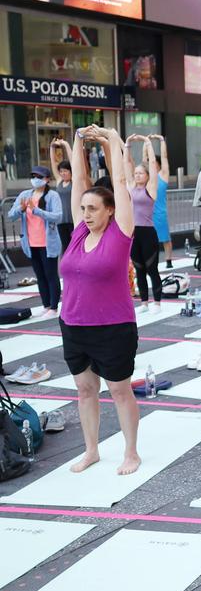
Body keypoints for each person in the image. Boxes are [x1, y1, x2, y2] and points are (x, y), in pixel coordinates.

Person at [60, 125, 139, 475]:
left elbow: (120, 183)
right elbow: (79, 180)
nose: (87, 213)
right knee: (84, 389)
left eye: (94, 208)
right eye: (83, 209)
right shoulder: (79, 233)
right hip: (74, 324)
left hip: (113, 327)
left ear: (109, 210)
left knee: (120, 391)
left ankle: (131, 452)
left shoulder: (120, 234)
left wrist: (112, 138)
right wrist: (78, 141)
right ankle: (91, 450)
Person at [10, 164, 63, 316]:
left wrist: (37, 211)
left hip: (48, 242)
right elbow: (11, 215)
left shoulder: (52, 196)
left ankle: (54, 307)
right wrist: (21, 209)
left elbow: (58, 216)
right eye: (33, 177)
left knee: (51, 274)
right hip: (30, 242)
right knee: (39, 275)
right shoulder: (25, 195)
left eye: (39, 177)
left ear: (47, 179)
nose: (35, 179)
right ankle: (46, 305)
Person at [126, 135, 163, 312]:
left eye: (141, 173)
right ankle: (144, 302)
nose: (137, 175)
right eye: (136, 173)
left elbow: (154, 168)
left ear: (147, 176)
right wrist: (127, 146)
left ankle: (157, 302)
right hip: (134, 233)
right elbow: (126, 167)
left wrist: (148, 144)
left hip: (148, 232)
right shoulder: (132, 187)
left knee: (151, 268)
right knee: (139, 268)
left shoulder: (151, 188)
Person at [150, 135, 172, 268]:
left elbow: (164, 157)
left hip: (160, 212)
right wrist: (146, 143)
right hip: (148, 213)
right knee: (151, 239)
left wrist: (161, 140)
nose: (151, 164)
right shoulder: (148, 177)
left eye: (154, 163)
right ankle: (153, 260)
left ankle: (168, 259)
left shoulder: (162, 175)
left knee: (165, 238)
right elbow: (144, 160)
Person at [49, 139, 75, 248]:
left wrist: (66, 145)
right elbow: (53, 163)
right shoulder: (59, 181)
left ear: (70, 171)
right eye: (61, 171)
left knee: (75, 246)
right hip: (61, 220)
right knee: (65, 247)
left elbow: (74, 162)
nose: (63, 173)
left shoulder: (74, 181)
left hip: (73, 219)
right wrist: (52, 148)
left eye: (65, 171)